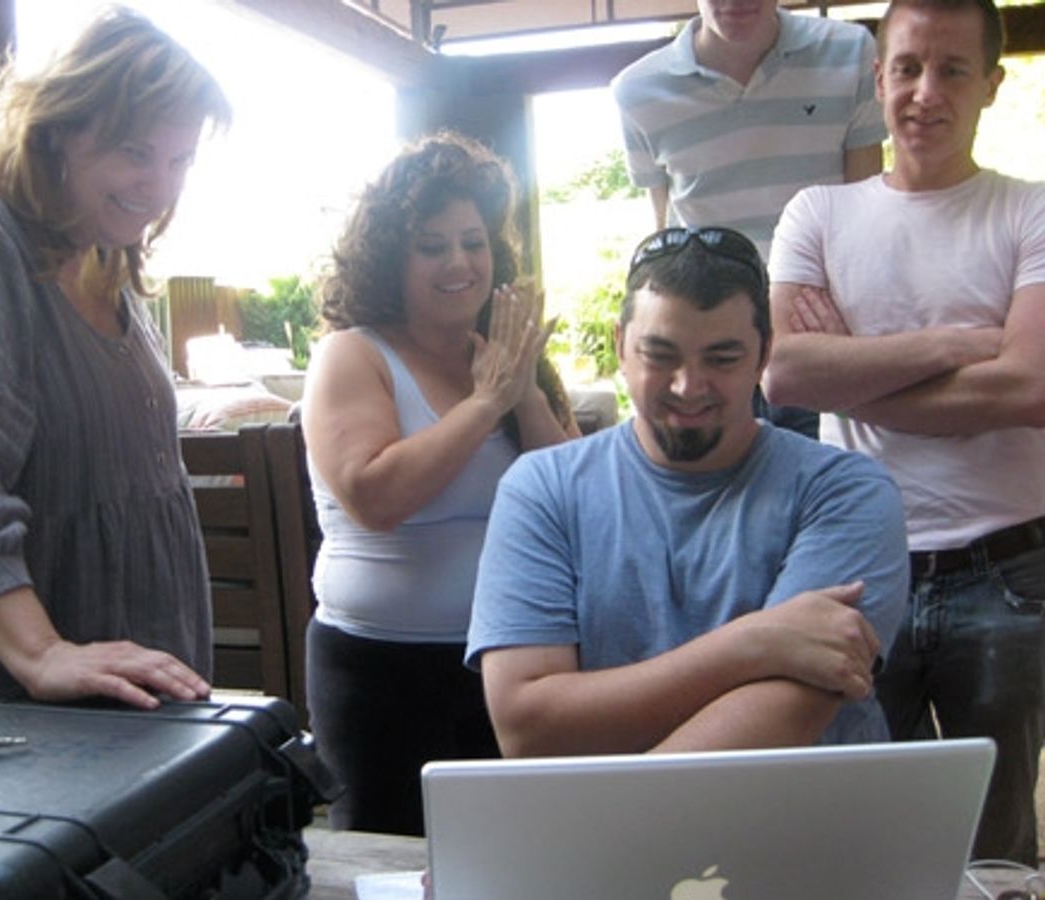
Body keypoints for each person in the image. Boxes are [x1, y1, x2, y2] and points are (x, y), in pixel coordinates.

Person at [0, 6, 232, 710]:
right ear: (55, 129)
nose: (160, 187)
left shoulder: (102, 252)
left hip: (112, 697)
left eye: (179, 160)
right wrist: (41, 651)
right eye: (135, 152)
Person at [764, 0, 1045, 865]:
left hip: (1006, 569)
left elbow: (1029, 386)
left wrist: (859, 369)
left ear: (992, 85)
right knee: (859, 831)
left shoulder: (1028, 212)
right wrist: (961, 345)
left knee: (994, 843)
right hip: (861, 570)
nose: (927, 92)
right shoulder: (817, 212)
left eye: (954, 69)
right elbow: (785, 376)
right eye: (909, 67)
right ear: (878, 77)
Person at [466, 226, 908, 758]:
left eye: (721, 359)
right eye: (660, 355)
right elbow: (527, 726)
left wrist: (614, 820)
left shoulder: (847, 492)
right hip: (608, 834)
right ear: (619, 347)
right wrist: (752, 643)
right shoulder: (543, 488)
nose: (687, 386)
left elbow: (785, 712)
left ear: (763, 355)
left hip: (801, 832)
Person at [301, 131, 578, 835]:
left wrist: (522, 392)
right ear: (393, 257)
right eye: (432, 245)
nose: (459, 262)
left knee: (515, 863)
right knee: (387, 867)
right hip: (378, 672)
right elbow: (374, 494)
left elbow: (579, 502)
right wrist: (485, 403)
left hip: (509, 665)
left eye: (473, 241)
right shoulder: (351, 354)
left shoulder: (507, 356)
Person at [610, 0, 886, 438]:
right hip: (708, 346)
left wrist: (857, 328)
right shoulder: (637, 90)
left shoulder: (848, 52)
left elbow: (867, 210)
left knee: (823, 490)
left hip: (818, 335)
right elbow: (665, 231)